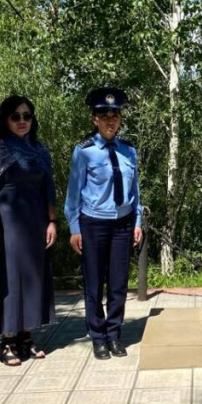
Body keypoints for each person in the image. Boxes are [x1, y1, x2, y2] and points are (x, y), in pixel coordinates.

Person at [65, 87, 143, 360]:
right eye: (103, 115)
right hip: (93, 224)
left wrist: (138, 220)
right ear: (94, 119)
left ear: (120, 119)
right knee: (95, 283)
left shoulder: (128, 151)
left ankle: (114, 334)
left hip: (122, 224)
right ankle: (97, 337)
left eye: (115, 115)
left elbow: (136, 191)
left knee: (119, 283)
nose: (110, 120)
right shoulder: (84, 152)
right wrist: (74, 227)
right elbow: (73, 193)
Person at [0, 95, 56, 366]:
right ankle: (7, 339)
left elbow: (49, 189)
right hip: (8, 220)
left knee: (33, 276)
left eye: (27, 115)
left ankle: (26, 334)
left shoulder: (40, 149)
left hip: (36, 219)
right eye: (16, 116)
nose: (22, 121)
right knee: (10, 278)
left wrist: (52, 222)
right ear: (6, 119)